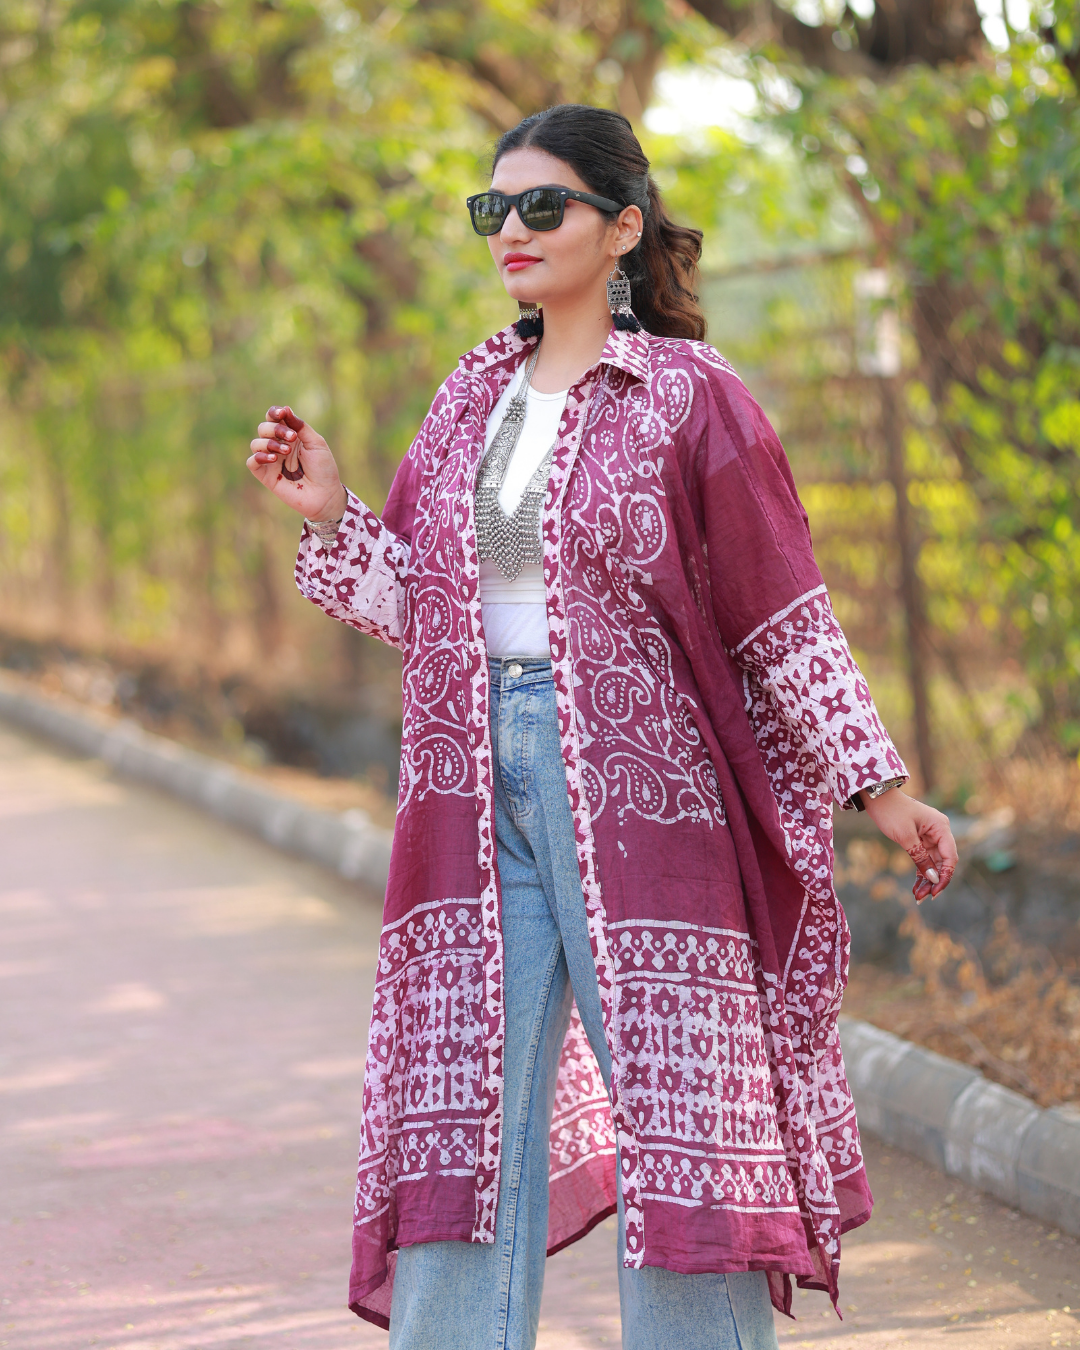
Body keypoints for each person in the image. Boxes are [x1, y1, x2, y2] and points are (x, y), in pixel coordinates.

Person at [247, 103, 958, 1350]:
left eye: (543, 205)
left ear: (623, 227)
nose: (510, 230)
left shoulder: (690, 397)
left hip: (650, 800)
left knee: (686, 1129)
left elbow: (778, 609)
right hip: (469, 791)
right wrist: (330, 515)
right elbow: (424, 606)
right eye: (493, 208)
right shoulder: (470, 396)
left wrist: (878, 784)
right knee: (463, 1119)